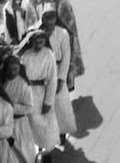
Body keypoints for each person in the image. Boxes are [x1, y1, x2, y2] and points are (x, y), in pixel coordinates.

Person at [17, 29, 60, 153]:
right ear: (31, 42)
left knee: (43, 123)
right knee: (31, 123)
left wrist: (48, 101)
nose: (38, 45)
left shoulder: (48, 54)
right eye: (36, 42)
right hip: (28, 94)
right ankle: (34, 151)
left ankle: (45, 149)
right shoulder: (25, 56)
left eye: (41, 42)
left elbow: (52, 79)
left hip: (42, 93)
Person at [41, 9, 76, 145]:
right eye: (46, 19)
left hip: (58, 69)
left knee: (60, 105)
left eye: (52, 18)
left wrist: (62, 78)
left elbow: (66, 56)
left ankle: (61, 133)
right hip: (45, 73)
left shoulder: (62, 34)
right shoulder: (39, 34)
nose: (49, 22)